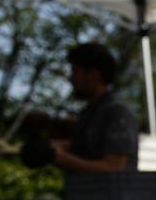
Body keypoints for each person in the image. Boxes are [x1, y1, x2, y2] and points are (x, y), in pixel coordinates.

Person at [53, 43, 139, 173]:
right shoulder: (89, 112)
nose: (71, 79)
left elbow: (114, 168)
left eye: (75, 72)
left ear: (94, 75)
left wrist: (59, 158)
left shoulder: (116, 112)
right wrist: (52, 148)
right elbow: (84, 148)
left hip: (108, 187)